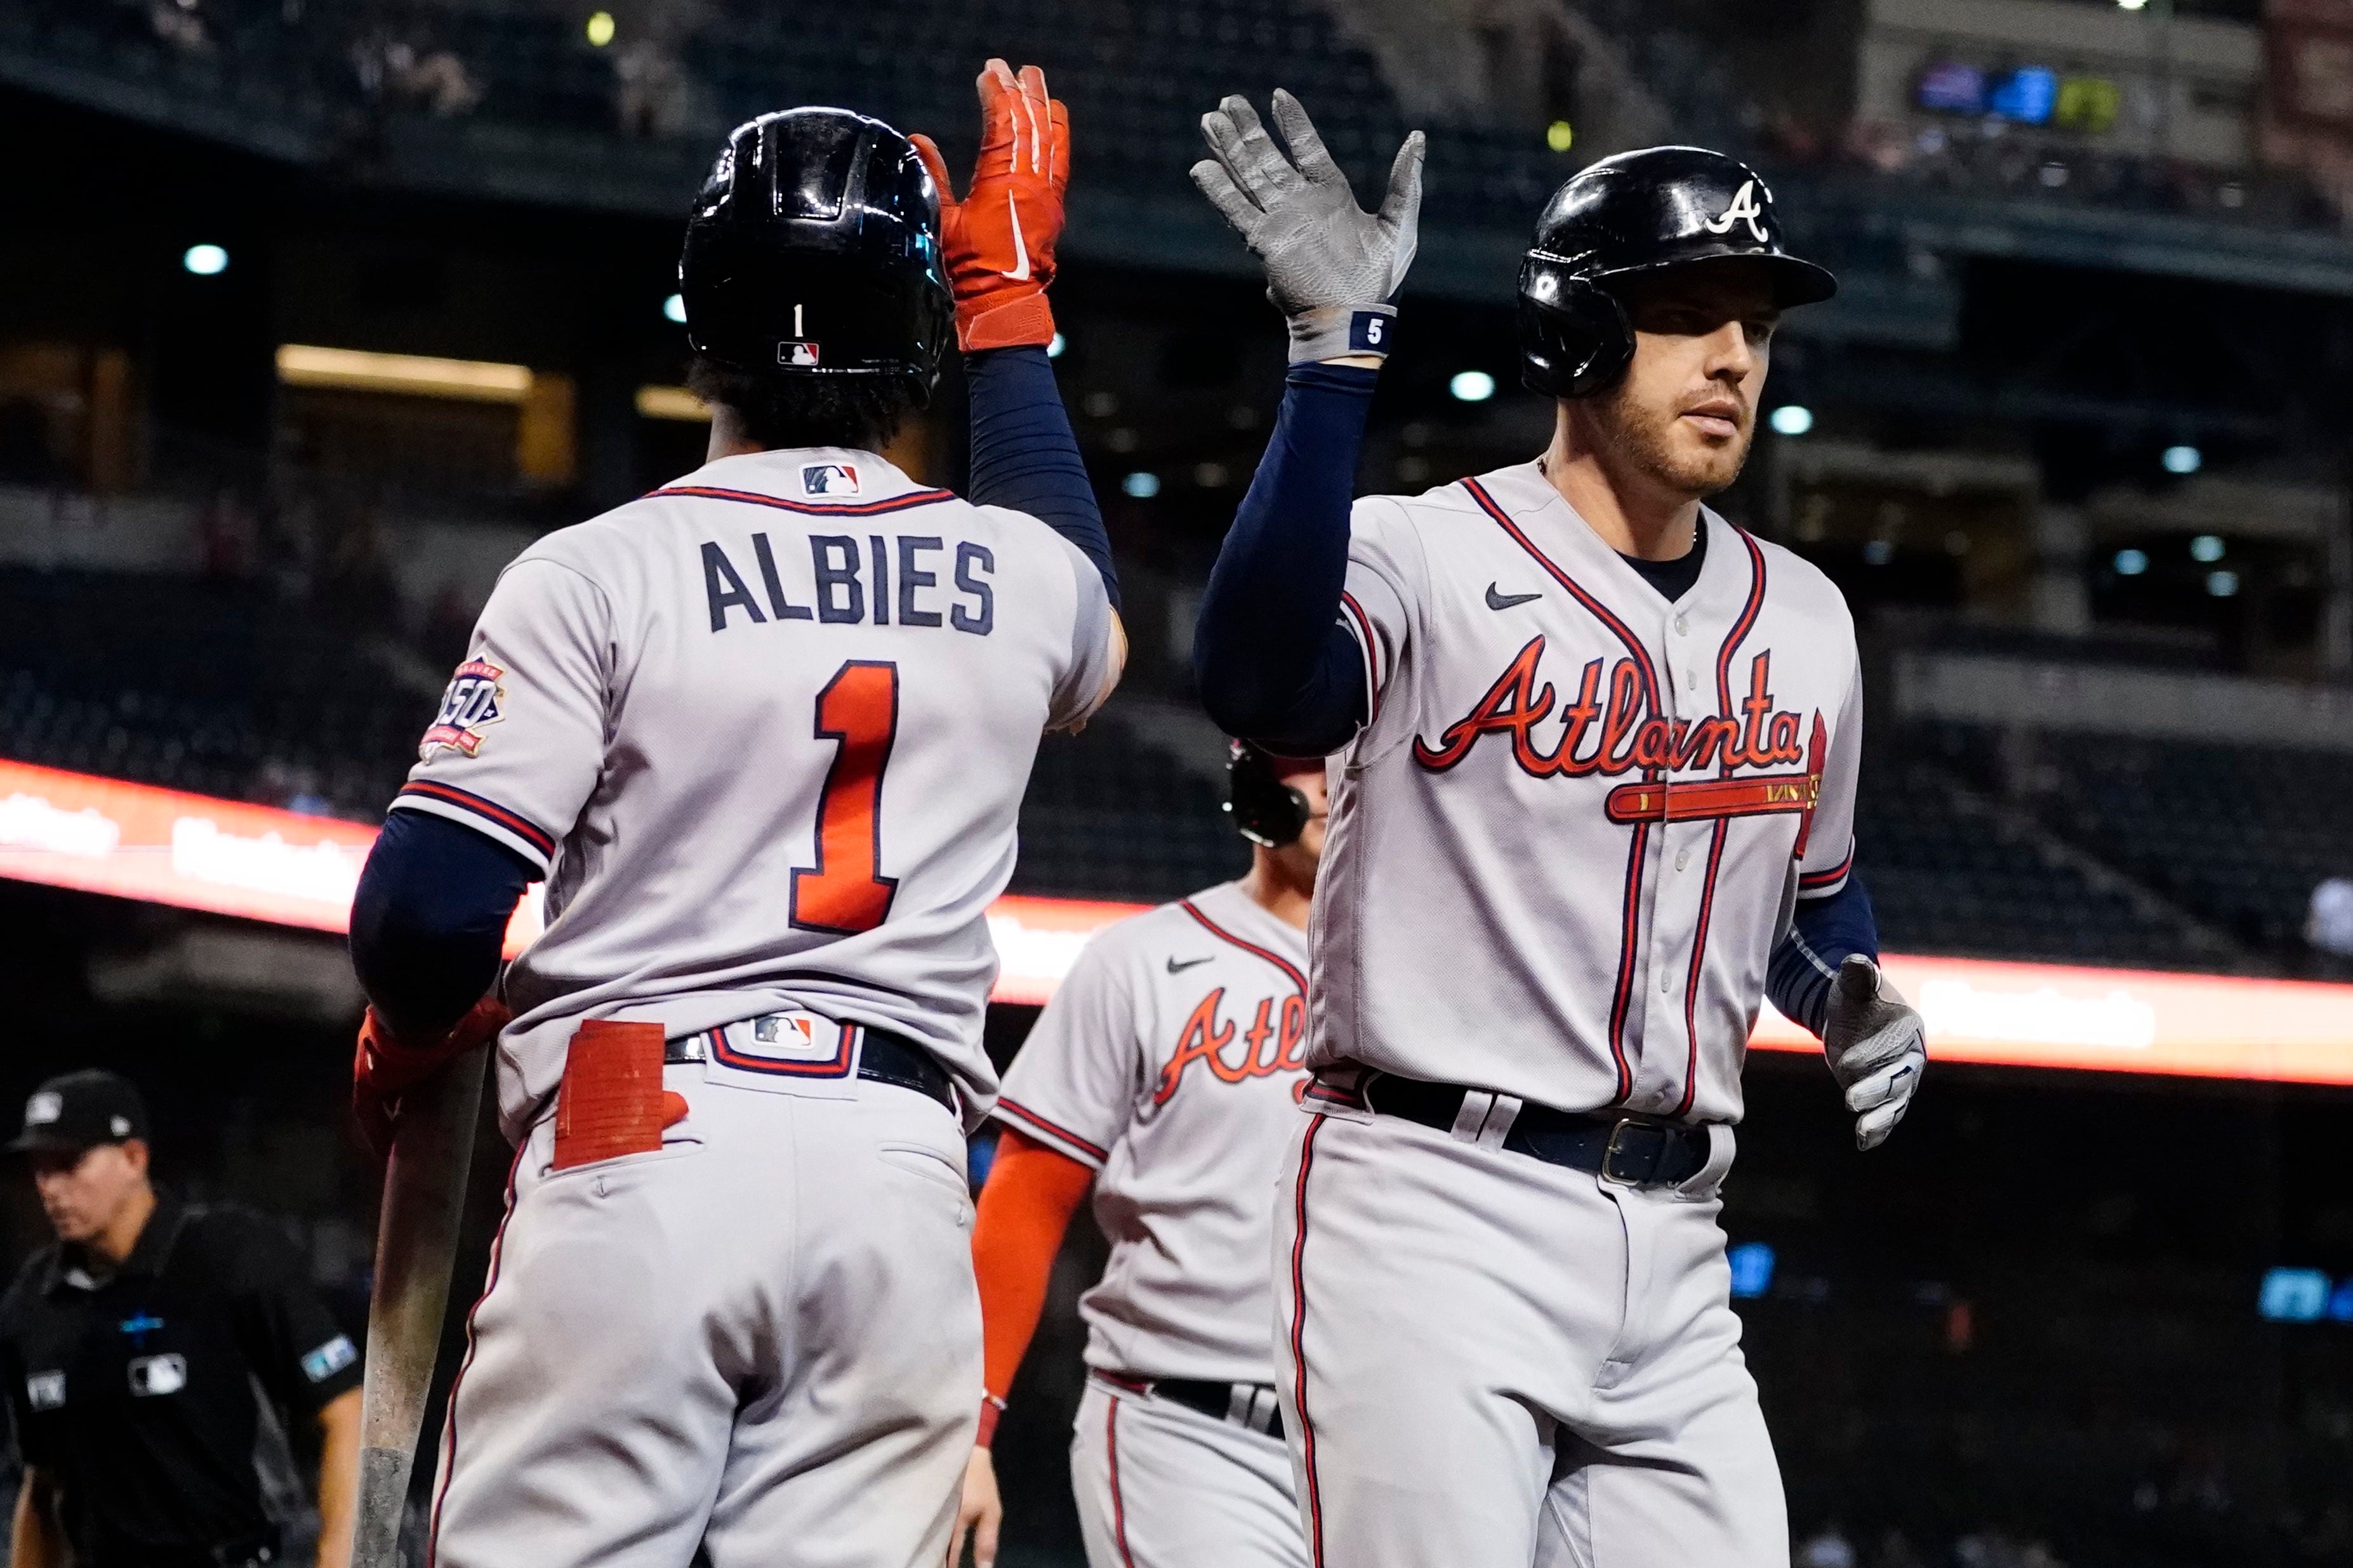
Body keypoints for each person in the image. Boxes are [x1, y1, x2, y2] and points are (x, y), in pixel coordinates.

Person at [344, 62, 1122, 1567]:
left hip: (644, 1131)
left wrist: (412, 1037)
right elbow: (1087, 603)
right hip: (898, 1188)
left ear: (700, 312)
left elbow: (426, 916)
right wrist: (1009, 319)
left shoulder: (600, 568)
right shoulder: (1016, 577)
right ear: (913, 337)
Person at [1185, 93, 1929, 1567]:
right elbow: (1259, 679)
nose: (1732, 357)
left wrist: (1847, 996)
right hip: (1431, 1205)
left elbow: (1806, 905)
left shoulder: (1807, 619)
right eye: (1687, 315)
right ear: (1574, 338)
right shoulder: (1421, 552)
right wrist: (1332, 359)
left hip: (1679, 1243)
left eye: (1754, 326)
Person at [952, 743, 1328, 1568]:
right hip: (1188, 1428)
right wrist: (972, 1431)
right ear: (1253, 779)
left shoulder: (1432, 974)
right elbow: (1026, 1192)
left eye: (1354, 756)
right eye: (1310, 760)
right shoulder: (1143, 958)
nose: (1337, 781)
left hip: (1387, 1440)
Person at [0, 1069, 361, 1568]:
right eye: (41, 1168)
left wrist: (336, 1557)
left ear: (134, 1157)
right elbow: (42, 1488)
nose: (51, 1188)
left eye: (70, 1162)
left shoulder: (226, 1256)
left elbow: (344, 1407)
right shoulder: (33, 1304)